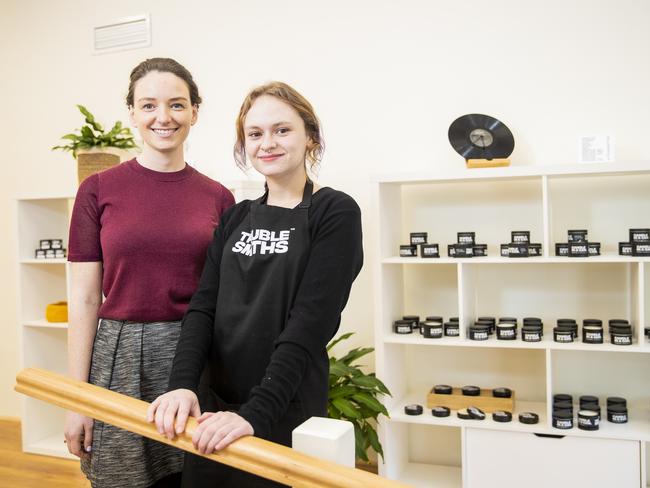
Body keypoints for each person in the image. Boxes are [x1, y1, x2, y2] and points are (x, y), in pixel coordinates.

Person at [147, 81, 363, 487]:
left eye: (282, 130)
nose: (268, 143)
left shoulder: (334, 212)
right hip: (213, 408)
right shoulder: (236, 216)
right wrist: (181, 388)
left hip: (285, 404)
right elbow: (203, 308)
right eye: (255, 133)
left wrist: (253, 415)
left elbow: (310, 323)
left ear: (310, 136)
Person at [65, 57, 235, 488]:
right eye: (149, 105)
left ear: (195, 112)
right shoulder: (97, 190)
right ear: (133, 115)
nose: (164, 117)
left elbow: (228, 300)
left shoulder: (219, 197)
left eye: (177, 105)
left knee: (193, 477)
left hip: (193, 356)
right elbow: (85, 300)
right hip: (119, 358)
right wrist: (76, 400)